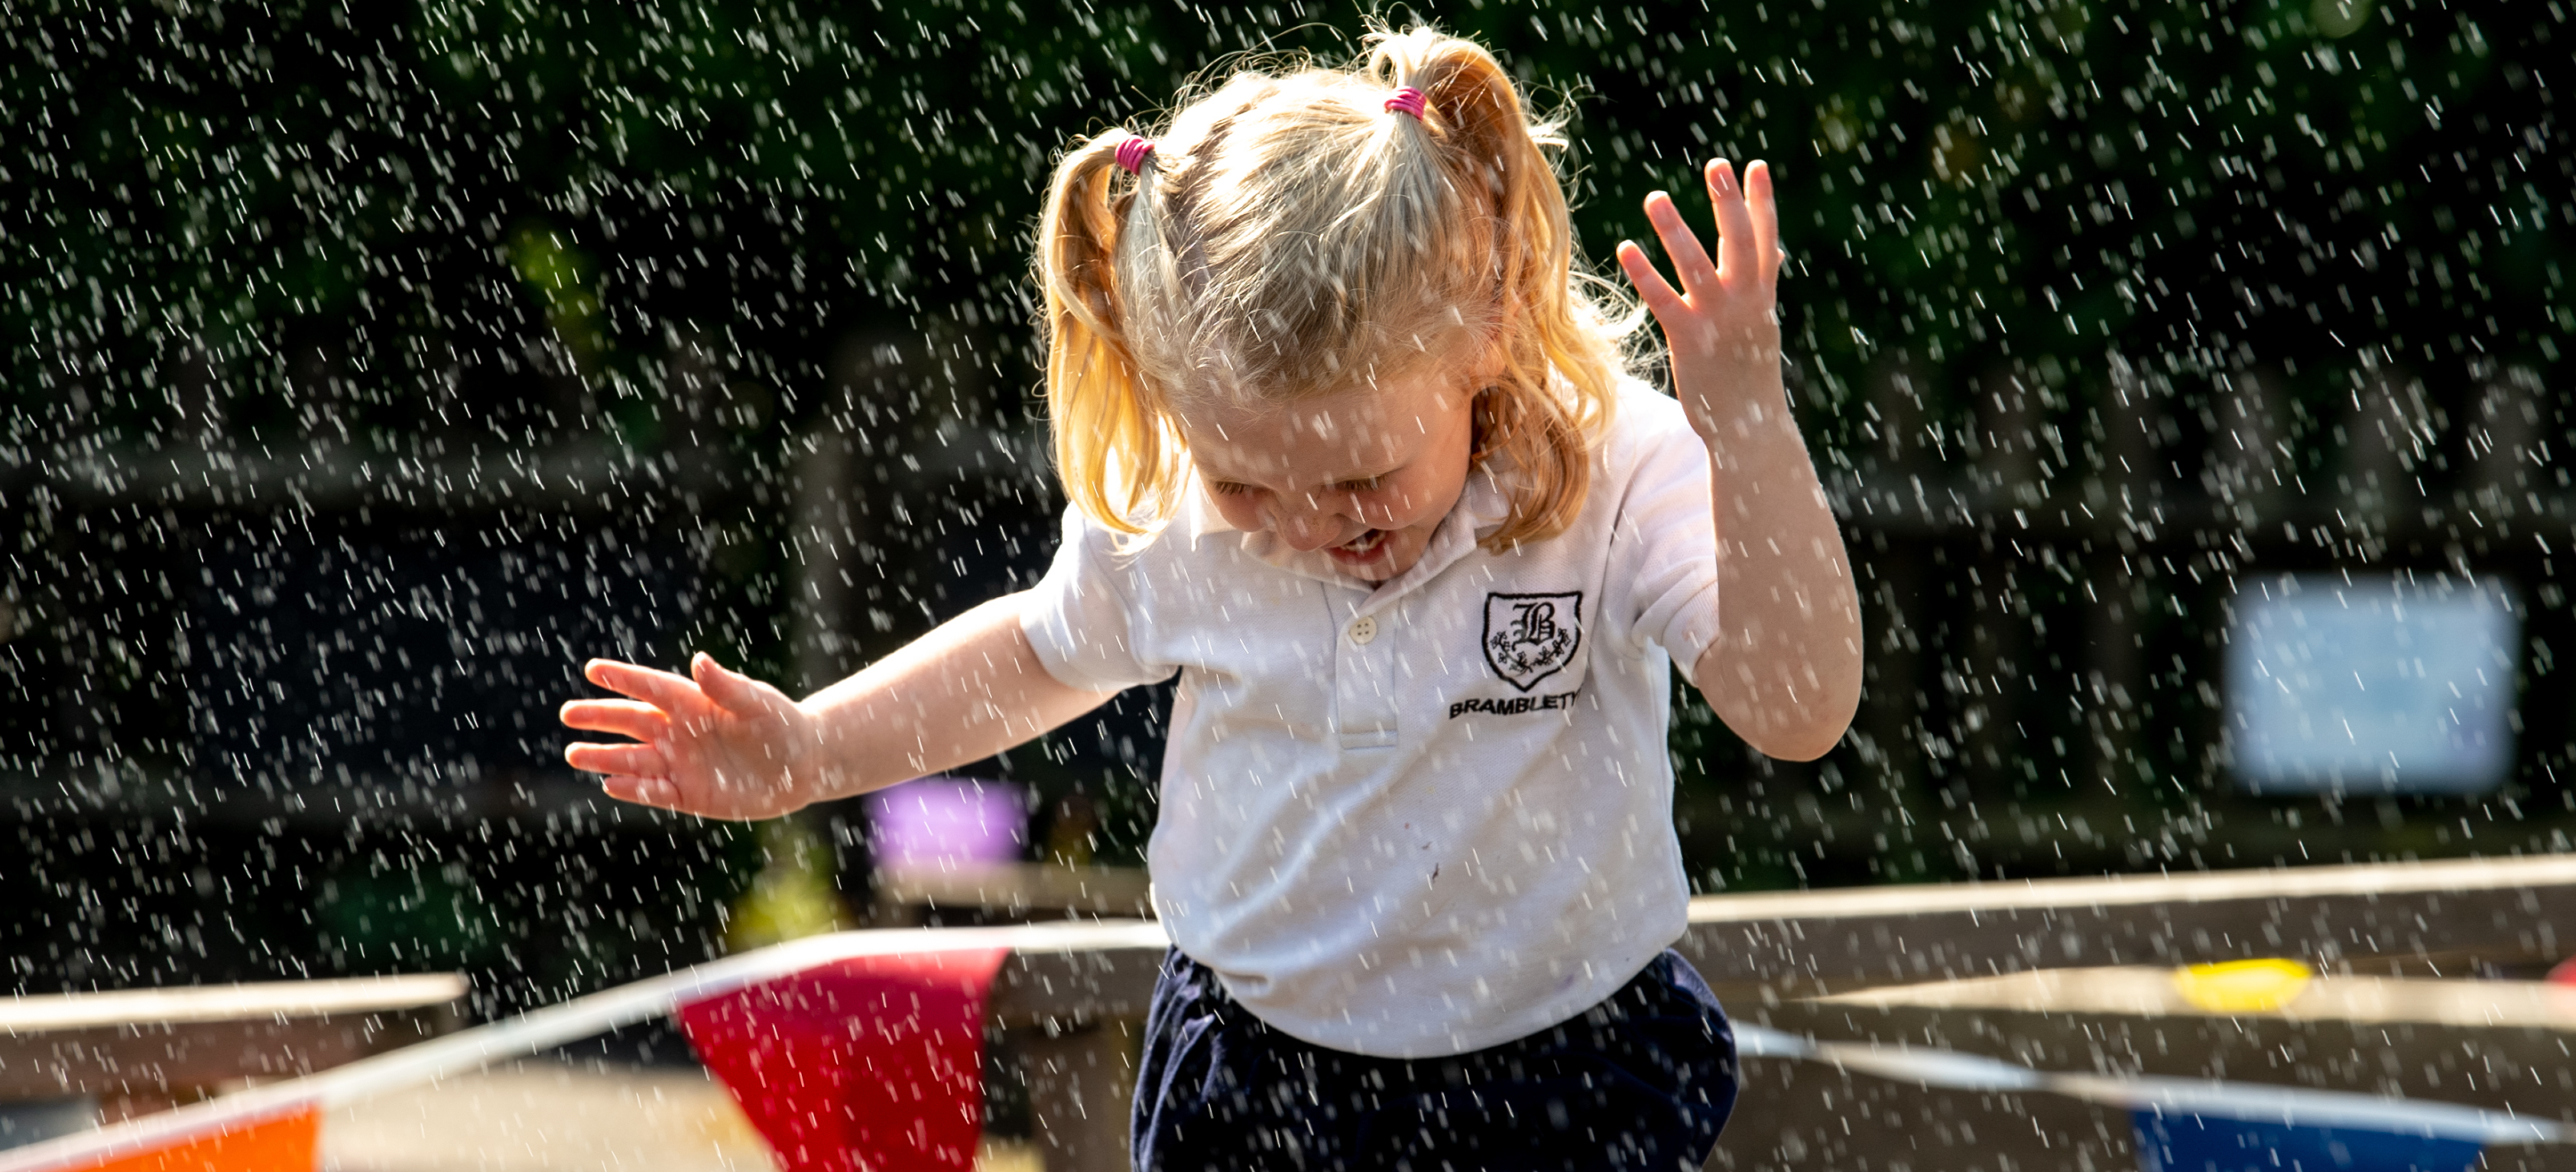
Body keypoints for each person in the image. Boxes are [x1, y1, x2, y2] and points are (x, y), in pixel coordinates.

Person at [560, 24, 1861, 1171]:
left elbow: (1797, 713)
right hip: (1261, 1080)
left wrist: (1743, 423)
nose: (1308, 528)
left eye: (1361, 474)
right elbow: (1033, 651)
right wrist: (810, 748)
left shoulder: (1605, 467)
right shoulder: (1183, 508)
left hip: (1561, 1072)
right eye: (1250, 486)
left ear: (1486, 319)